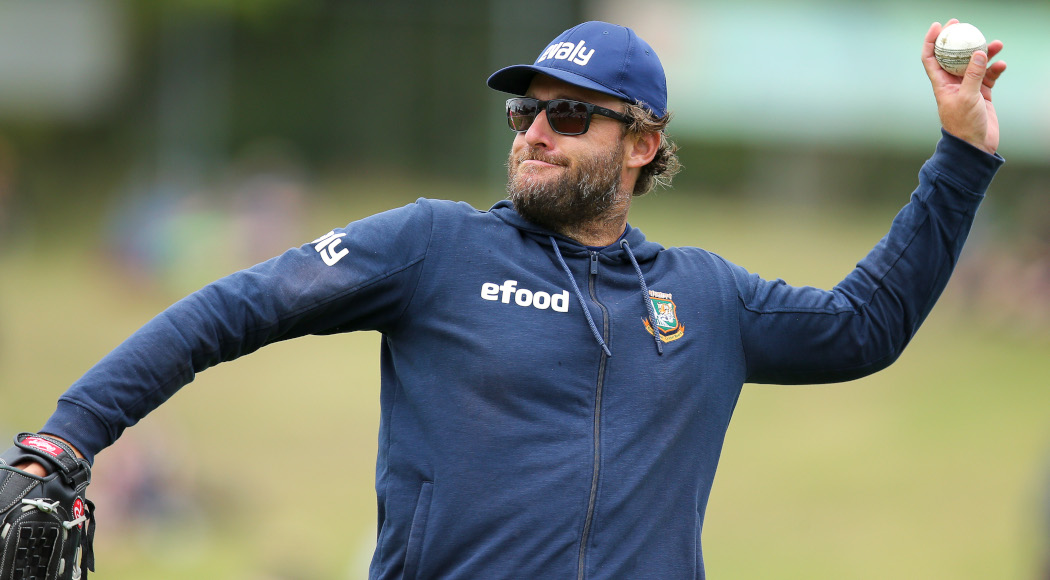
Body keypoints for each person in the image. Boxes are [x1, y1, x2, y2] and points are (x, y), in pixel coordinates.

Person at [14, 19, 1006, 579]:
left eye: (569, 114)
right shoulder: (433, 245)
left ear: (644, 143)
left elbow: (863, 327)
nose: (535, 131)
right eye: (527, 110)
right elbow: (230, 309)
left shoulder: (705, 295)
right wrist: (64, 440)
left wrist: (961, 157)